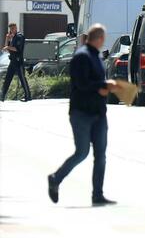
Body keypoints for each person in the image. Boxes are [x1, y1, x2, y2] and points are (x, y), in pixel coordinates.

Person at [47, 24, 118, 206]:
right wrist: (102, 87)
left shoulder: (96, 56)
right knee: (82, 152)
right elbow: (81, 83)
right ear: (99, 38)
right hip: (81, 113)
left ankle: (98, 195)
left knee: (100, 155)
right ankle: (55, 179)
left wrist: (105, 86)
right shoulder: (82, 56)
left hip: (99, 113)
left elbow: (96, 81)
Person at [1, 23, 31, 102]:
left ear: (16, 28)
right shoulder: (13, 38)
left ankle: (28, 96)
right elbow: (6, 49)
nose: (12, 30)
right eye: (10, 29)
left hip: (18, 61)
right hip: (12, 61)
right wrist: (7, 39)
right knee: (7, 78)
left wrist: (8, 47)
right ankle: (2, 96)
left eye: (13, 28)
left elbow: (17, 49)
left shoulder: (19, 37)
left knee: (22, 79)